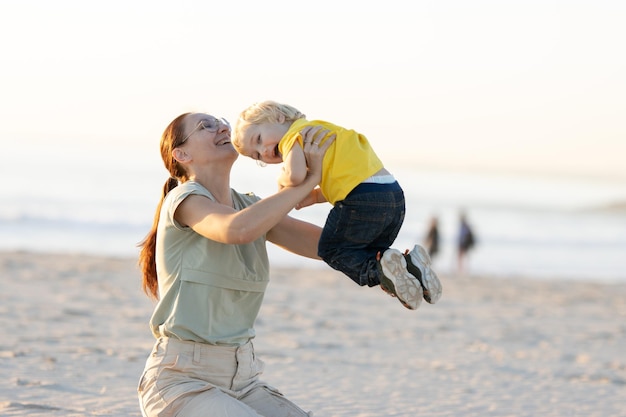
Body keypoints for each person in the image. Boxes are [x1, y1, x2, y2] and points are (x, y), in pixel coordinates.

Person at [136, 112, 335, 417]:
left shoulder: (250, 207)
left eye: (221, 122)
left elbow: (328, 246)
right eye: (206, 126)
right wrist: (306, 182)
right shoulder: (185, 199)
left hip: (244, 382)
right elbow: (237, 230)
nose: (223, 127)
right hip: (181, 381)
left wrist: (385, 261)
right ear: (182, 154)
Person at [232, 100, 442, 309]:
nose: (264, 152)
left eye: (259, 139)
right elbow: (346, 177)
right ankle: (412, 265)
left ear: (279, 117)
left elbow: (294, 176)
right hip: (392, 195)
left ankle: (384, 274)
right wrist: (315, 197)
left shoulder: (292, 138)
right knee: (372, 254)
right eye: (257, 156)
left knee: (332, 250)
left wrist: (282, 184)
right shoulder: (322, 130)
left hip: (362, 200)